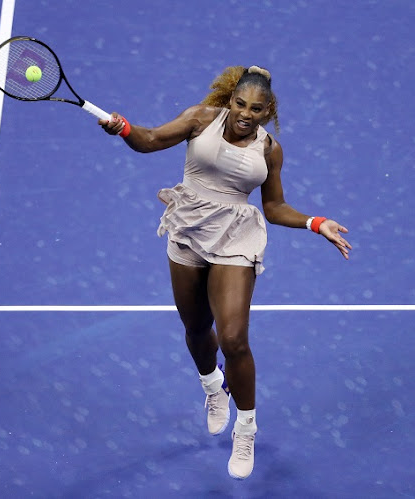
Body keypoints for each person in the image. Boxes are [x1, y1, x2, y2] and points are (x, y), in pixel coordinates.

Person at [99, 65, 352, 480]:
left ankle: (246, 427)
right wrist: (124, 128)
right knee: (196, 325)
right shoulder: (201, 118)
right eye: (240, 104)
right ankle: (212, 386)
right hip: (188, 226)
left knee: (233, 337)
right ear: (229, 99)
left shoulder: (270, 150)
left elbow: (273, 207)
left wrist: (315, 222)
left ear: (267, 111)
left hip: (236, 235)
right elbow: (149, 141)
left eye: (256, 109)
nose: (245, 114)